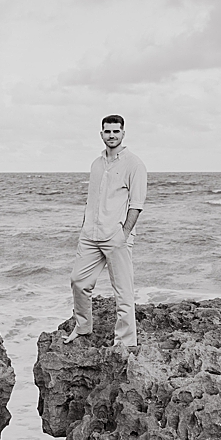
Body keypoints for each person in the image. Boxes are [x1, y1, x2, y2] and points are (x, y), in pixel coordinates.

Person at [65, 115, 146, 354]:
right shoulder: (96, 164)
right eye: (107, 131)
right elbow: (91, 200)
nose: (112, 135)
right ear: (101, 134)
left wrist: (124, 233)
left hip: (116, 235)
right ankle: (83, 326)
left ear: (123, 134)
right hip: (90, 234)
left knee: (123, 291)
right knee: (79, 281)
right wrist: (84, 227)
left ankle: (126, 343)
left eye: (116, 131)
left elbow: (136, 204)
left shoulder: (134, 164)